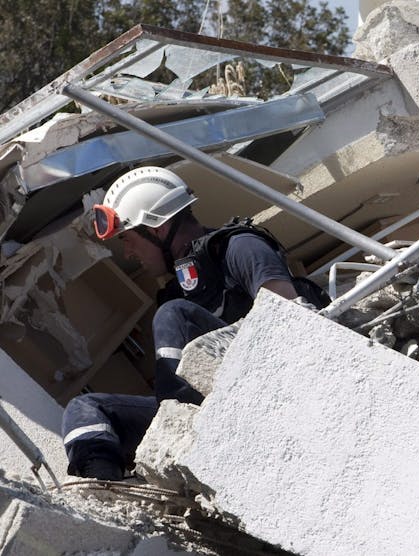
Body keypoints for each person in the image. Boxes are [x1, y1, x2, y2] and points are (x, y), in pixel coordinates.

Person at [62, 166, 321, 480]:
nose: (129, 253)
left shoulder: (238, 248)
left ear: (156, 228)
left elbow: (292, 320)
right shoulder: (179, 288)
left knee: (174, 314)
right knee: (85, 409)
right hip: (209, 403)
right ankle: (105, 490)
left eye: (129, 239)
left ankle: (178, 429)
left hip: (271, 386)